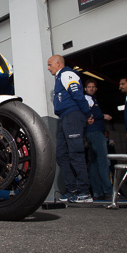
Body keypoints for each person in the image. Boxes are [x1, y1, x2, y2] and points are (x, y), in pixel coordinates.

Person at [47, 55, 92, 203]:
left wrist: (88, 114)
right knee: (61, 154)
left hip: (73, 116)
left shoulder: (67, 74)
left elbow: (78, 95)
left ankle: (84, 192)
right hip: (64, 118)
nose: (48, 68)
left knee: (76, 154)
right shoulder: (60, 78)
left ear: (58, 64)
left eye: (50, 65)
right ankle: (72, 190)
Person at [83, 79, 113, 200]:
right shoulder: (87, 99)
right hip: (94, 132)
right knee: (104, 162)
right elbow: (86, 112)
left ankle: (97, 192)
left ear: (96, 88)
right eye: (89, 86)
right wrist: (103, 116)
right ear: (85, 89)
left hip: (93, 132)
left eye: (93, 87)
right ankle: (109, 191)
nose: (91, 88)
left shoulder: (93, 99)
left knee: (94, 164)